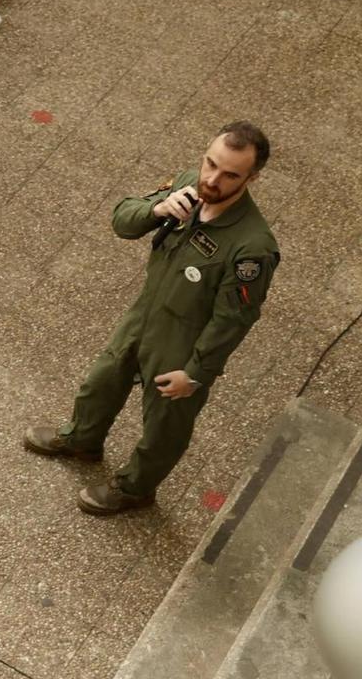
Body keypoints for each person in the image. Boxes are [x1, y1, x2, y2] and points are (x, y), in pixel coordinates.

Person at [25, 123, 280, 515]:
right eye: (210, 163)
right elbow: (122, 221)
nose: (212, 179)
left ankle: (136, 488)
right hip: (146, 313)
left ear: (252, 177)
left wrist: (196, 373)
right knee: (101, 381)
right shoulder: (185, 187)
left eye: (230, 174)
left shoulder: (252, 247)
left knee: (165, 425)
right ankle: (82, 439)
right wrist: (157, 208)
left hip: (184, 340)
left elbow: (234, 321)